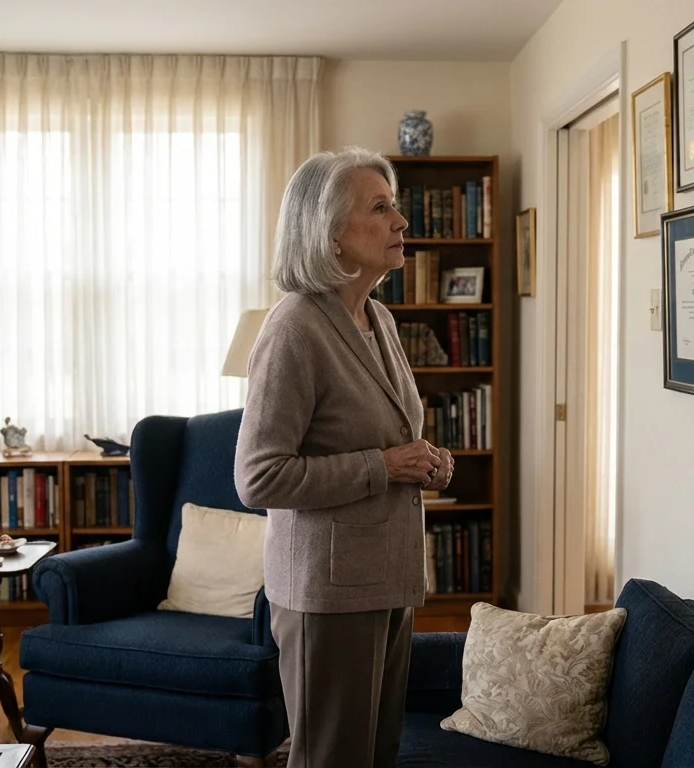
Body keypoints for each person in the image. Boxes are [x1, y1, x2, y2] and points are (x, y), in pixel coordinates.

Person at [234, 146, 453, 768]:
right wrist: (384, 466)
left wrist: (429, 461)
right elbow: (258, 476)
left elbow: (391, 436)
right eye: (380, 208)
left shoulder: (378, 318)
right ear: (330, 234)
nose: (401, 222)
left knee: (377, 755)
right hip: (326, 594)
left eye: (396, 206)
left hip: (390, 577)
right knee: (332, 758)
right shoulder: (294, 328)